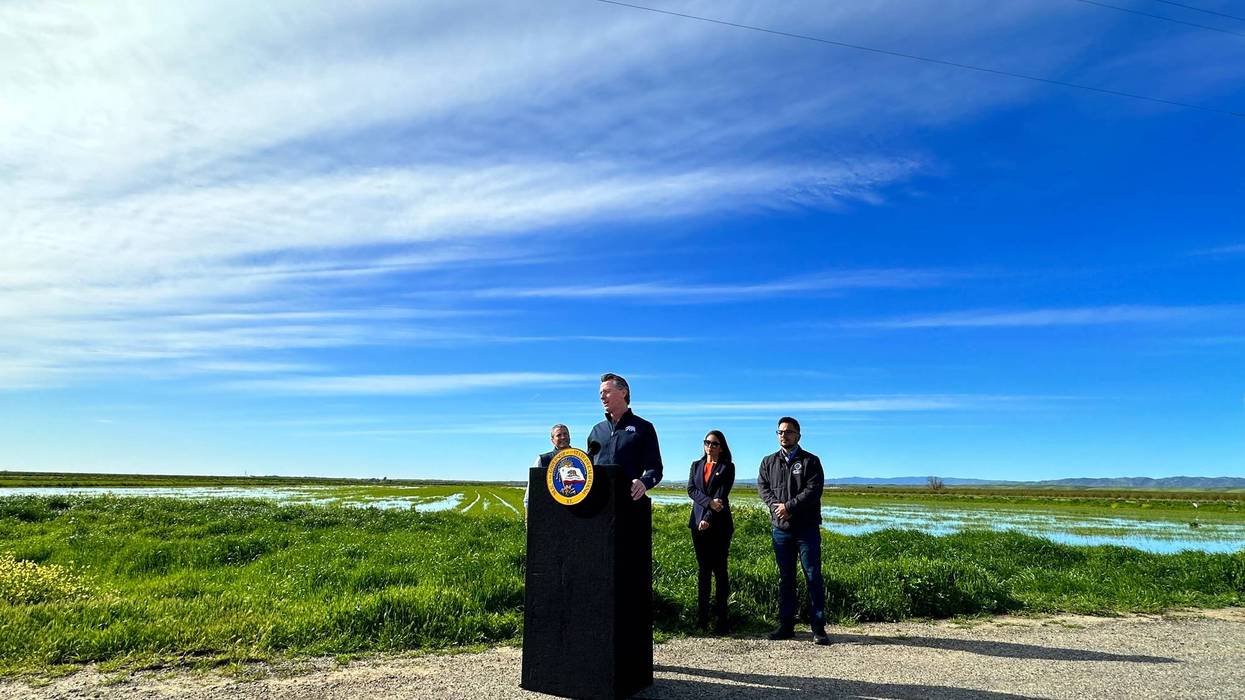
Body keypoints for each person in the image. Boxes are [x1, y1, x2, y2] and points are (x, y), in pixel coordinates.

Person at [757, 416, 829, 645]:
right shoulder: (768, 462)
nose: (783, 435)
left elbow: (813, 489)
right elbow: (763, 487)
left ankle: (818, 628)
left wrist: (789, 507)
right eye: (779, 432)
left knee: (813, 576)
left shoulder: (811, 461)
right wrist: (776, 507)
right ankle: (786, 625)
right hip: (781, 530)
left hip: (806, 529)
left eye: (788, 432)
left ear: (798, 434)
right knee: (785, 578)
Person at [686, 429, 735, 634]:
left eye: (714, 444)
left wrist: (708, 518)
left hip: (719, 525)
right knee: (703, 571)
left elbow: (720, 496)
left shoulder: (727, 467)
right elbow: (691, 489)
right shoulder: (696, 465)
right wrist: (706, 507)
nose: (710, 446)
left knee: (720, 571)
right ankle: (702, 619)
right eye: (707, 442)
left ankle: (722, 621)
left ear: (721, 447)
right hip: (697, 524)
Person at [588, 373, 663, 500]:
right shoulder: (596, 430)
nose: (602, 397)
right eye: (600, 393)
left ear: (623, 393)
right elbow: (588, 466)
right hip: (598, 504)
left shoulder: (644, 428)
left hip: (629, 503)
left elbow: (655, 468)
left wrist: (644, 482)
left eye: (606, 392)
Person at [524, 424, 571, 521]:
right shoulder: (543, 460)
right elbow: (530, 492)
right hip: (550, 514)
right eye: (558, 435)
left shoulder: (581, 459)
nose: (563, 437)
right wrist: (527, 518)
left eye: (565, 434)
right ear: (552, 440)